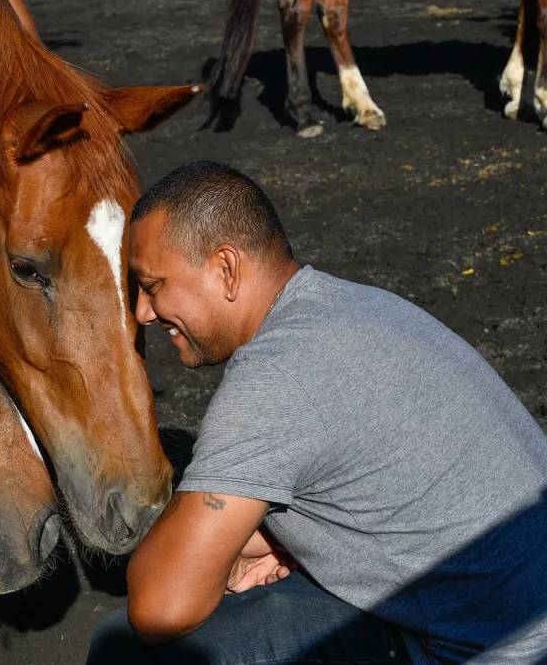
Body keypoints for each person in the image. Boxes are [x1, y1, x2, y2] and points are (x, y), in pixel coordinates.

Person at [86, 161, 547, 664]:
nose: (143, 313)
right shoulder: (354, 308)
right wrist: (278, 540)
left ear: (226, 267)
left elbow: (161, 608)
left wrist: (217, 541)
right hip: (499, 606)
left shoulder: (277, 376)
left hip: (489, 647)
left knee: (129, 650)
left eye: (152, 285)